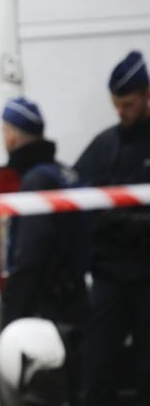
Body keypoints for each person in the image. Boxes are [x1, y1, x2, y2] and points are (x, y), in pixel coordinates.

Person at [0, 98, 88, 405]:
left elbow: (31, 256)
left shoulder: (36, 181)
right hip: (77, 301)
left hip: (48, 309)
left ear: (11, 136)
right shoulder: (65, 173)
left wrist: (13, 314)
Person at [75, 51, 150, 406]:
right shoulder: (106, 146)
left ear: (147, 95)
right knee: (97, 367)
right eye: (117, 105)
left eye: (129, 104)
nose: (122, 112)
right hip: (111, 276)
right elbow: (73, 198)